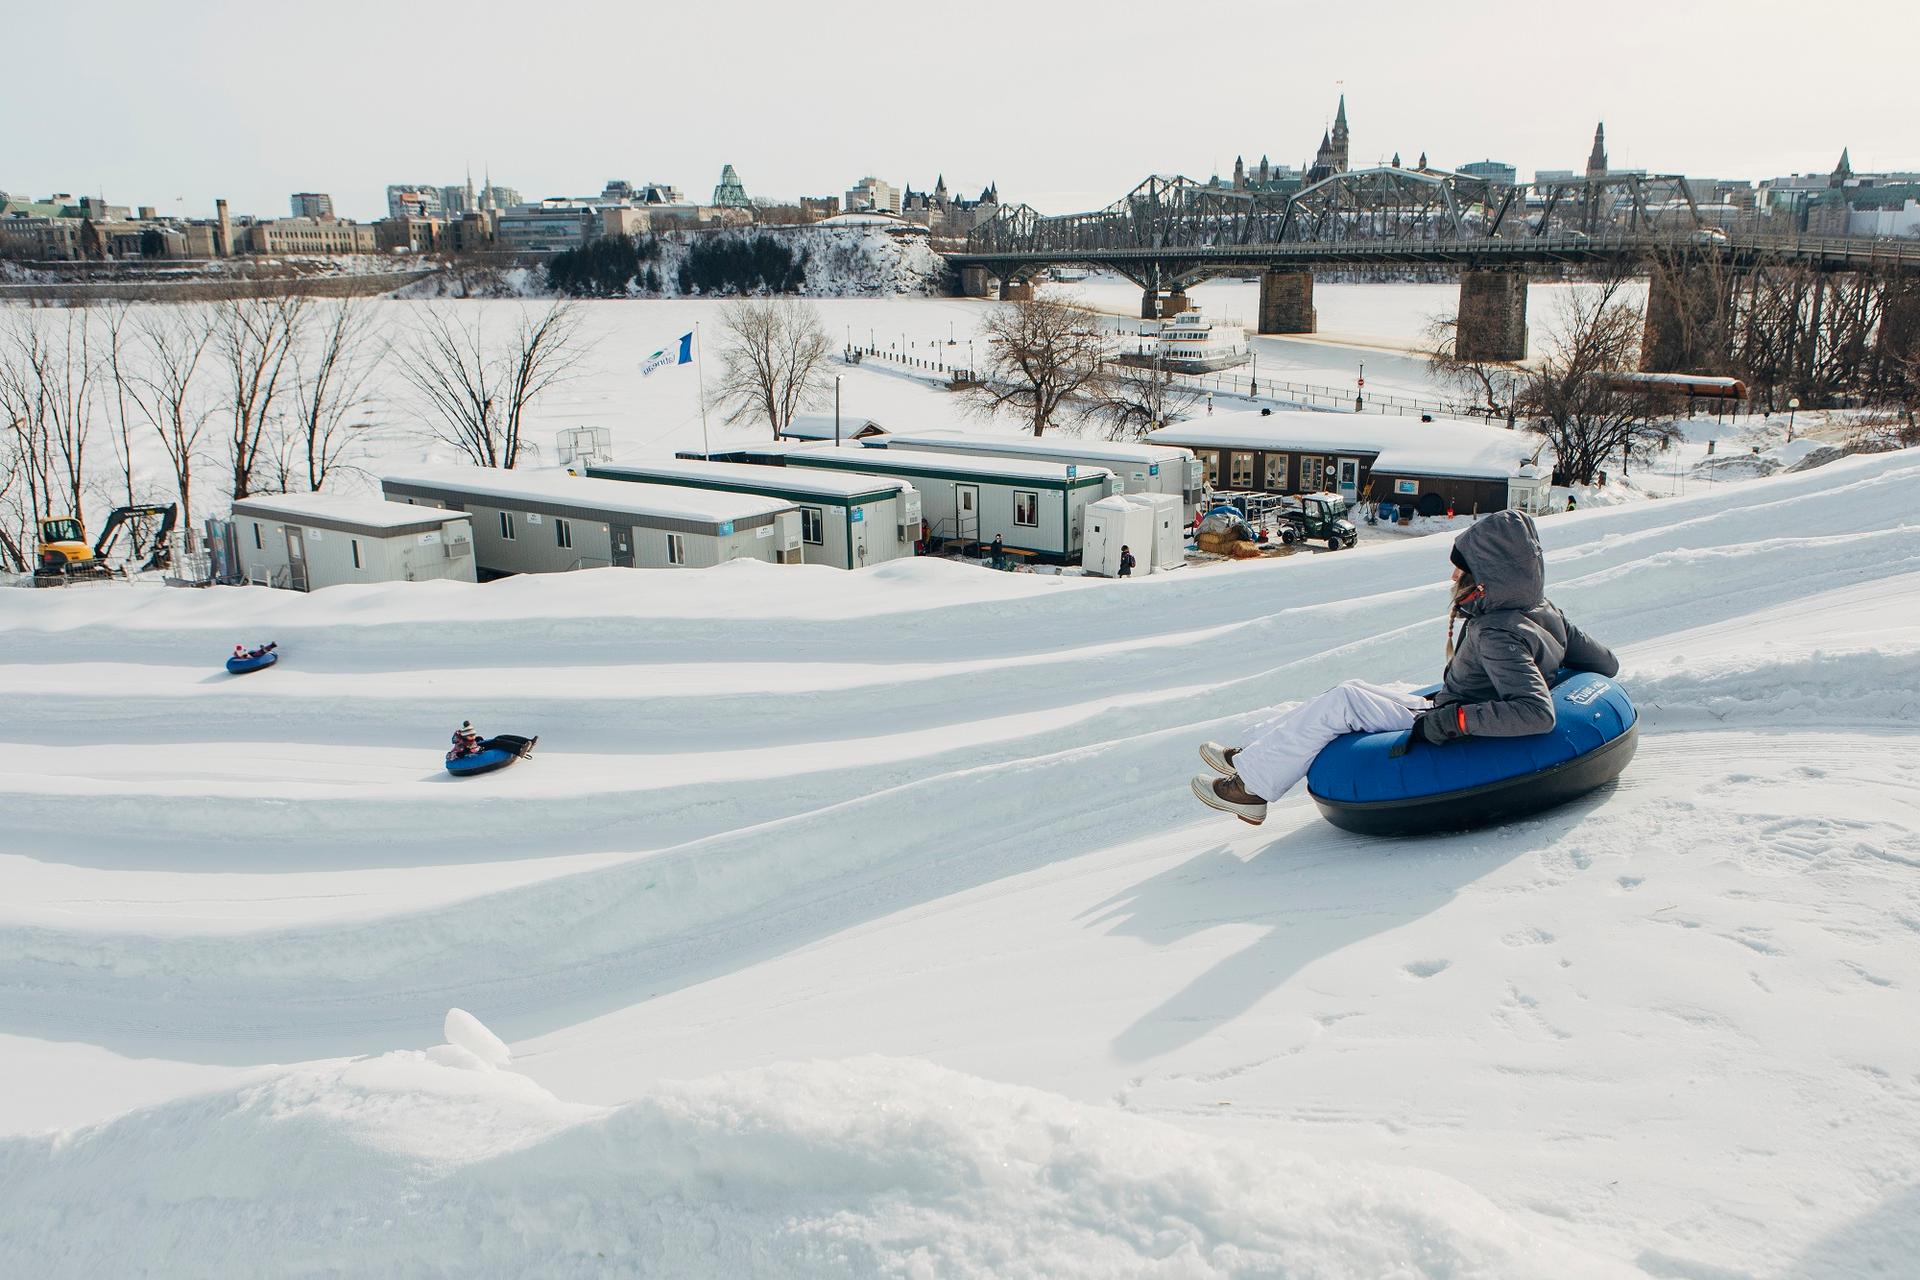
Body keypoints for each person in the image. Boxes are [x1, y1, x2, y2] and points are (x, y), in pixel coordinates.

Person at [1191, 509, 1618, 825]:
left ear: (1487, 578)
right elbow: (1606, 663)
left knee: (1343, 702)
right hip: (1449, 701)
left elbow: (1536, 713)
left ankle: (1251, 790)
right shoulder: (1544, 610)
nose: (1454, 579)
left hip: (1447, 721)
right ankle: (1252, 755)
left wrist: (1456, 721)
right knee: (1353, 688)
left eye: (1461, 571)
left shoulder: (1496, 632)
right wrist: (1554, 667)